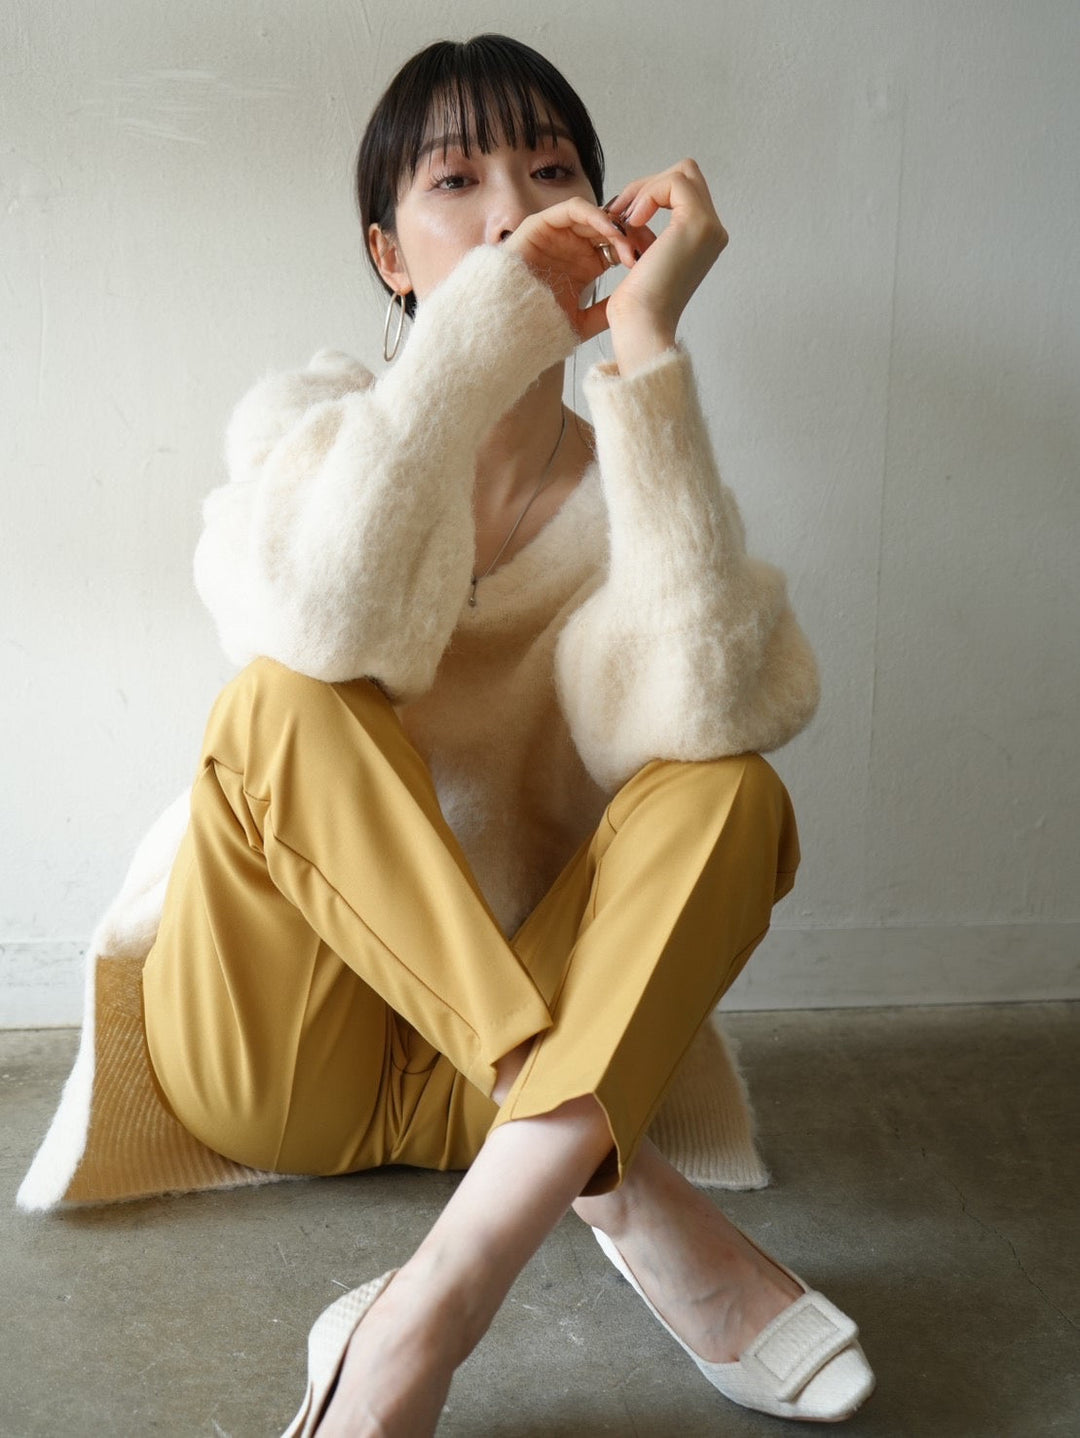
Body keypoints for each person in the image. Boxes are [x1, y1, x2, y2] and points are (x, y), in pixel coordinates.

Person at [39, 32, 874, 1437]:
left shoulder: (629, 489)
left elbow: (715, 708)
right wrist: (468, 351)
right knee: (279, 702)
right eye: (457, 181)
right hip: (280, 1050)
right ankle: (625, 1192)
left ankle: (425, 1311)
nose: (510, 213)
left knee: (730, 789)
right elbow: (321, 623)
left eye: (549, 172)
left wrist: (647, 351)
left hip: (516, 1068)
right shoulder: (308, 429)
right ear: (388, 254)